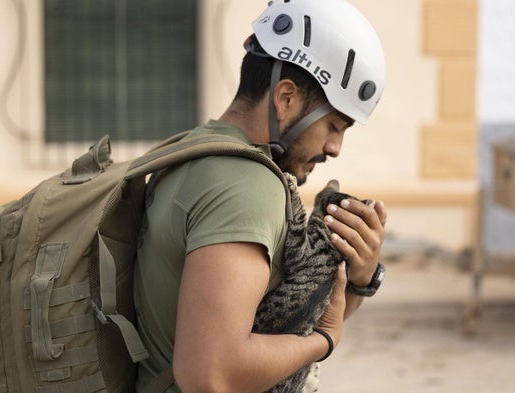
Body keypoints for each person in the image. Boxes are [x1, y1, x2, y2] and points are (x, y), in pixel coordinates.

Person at [133, 0, 387, 391]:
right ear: (286, 99)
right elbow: (211, 373)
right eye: (334, 125)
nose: (335, 147)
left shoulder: (198, 149)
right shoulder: (246, 186)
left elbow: (279, 325)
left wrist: (359, 278)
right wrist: (324, 342)